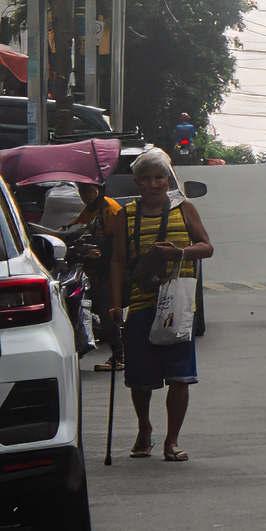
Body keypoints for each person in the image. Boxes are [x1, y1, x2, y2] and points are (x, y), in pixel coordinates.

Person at [108, 147, 213, 463]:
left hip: (178, 305)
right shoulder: (125, 215)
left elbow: (206, 247)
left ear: (168, 180)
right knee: (140, 378)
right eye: (146, 178)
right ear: (137, 183)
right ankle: (144, 429)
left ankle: (172, 441)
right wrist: (115, 305)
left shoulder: (184, 209)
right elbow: (117, 261)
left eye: (159, 177)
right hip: (142, 303)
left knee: (180, 376)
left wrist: (179, 253)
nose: (153, 184)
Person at [70, 181, 125, 370]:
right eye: (81, 191)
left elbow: (118, 239)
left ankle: (119, 356)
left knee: (106, 310)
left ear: (98, 191)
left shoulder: (110, 209)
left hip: (109, 266)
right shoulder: (90, 209)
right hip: (97, 266)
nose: (84, 195)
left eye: (88, 191)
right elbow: (77, 227)